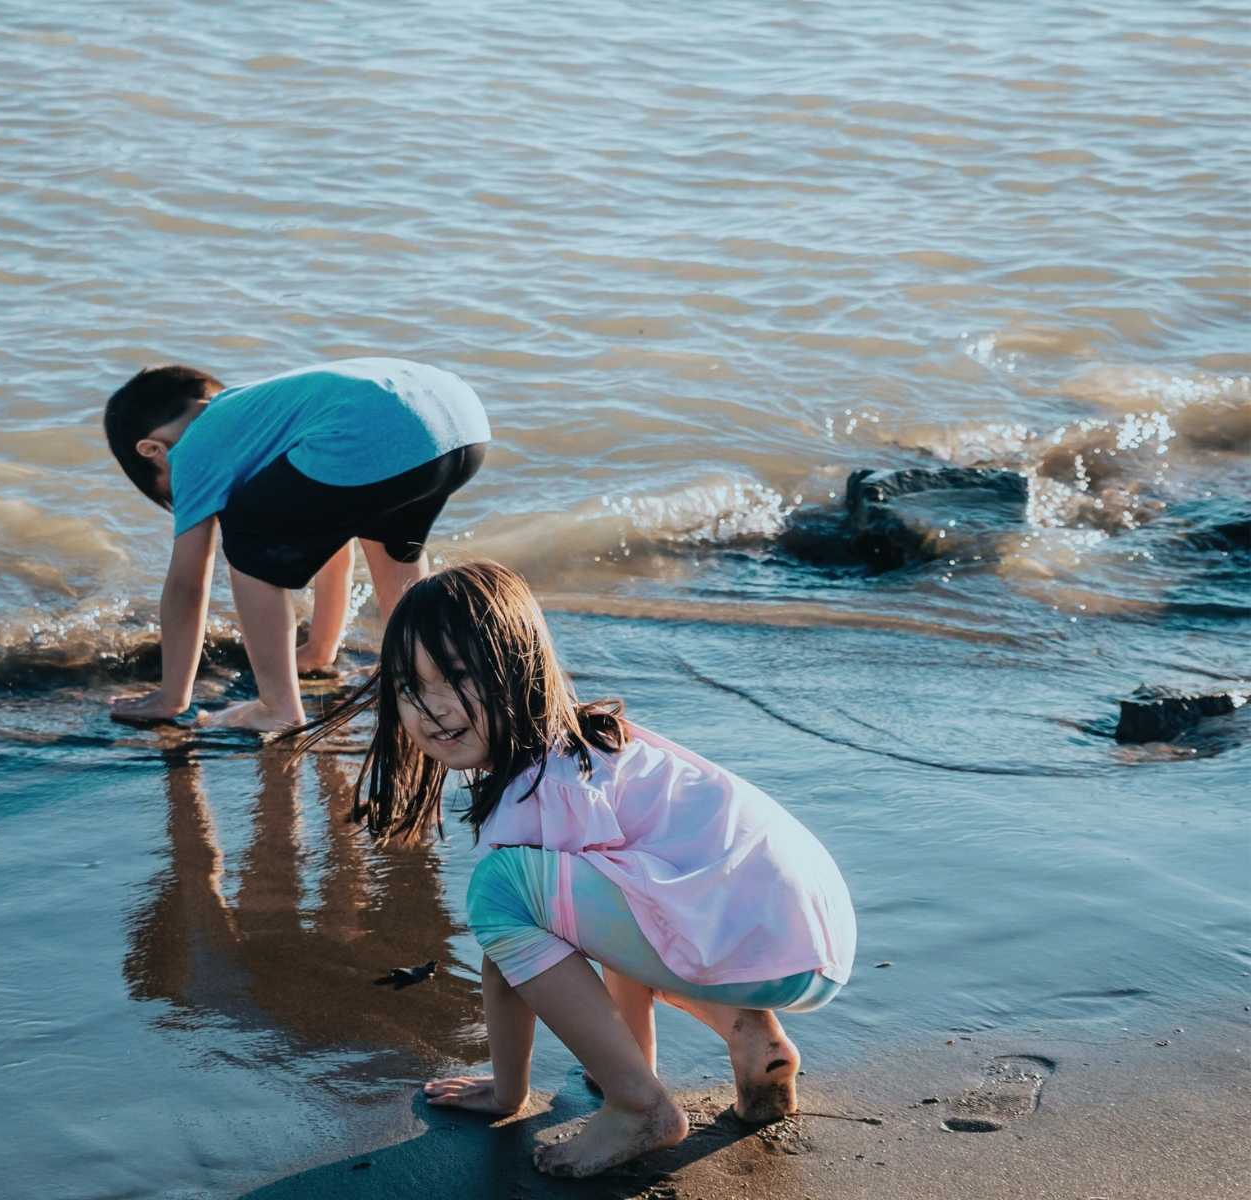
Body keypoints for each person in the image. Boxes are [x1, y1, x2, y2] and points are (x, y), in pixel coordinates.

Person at [296, 562, 856, 1178]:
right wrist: (543, 1080)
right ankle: (752, 1039)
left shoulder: (543, 789)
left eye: (454, 677)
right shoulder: (595, 748)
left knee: (499, 895)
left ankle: (639, 1104)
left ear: (516, 667)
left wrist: (578, 1089)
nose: (429, 709)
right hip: (801, 947)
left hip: (758, 942)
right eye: (409, 687)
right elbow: (608, 922)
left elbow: (514, 940)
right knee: (547, 906)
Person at [103, 357, 489, 731]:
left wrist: (171, 699)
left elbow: (186, 587)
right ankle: (408, 662)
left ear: (152, 450)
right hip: (458, 423)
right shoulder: (258, 414)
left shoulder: (191, 447)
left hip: (376, 430)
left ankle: (276, 708)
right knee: (387, 536)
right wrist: (321, 652)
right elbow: (327, 534)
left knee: (246, 531)